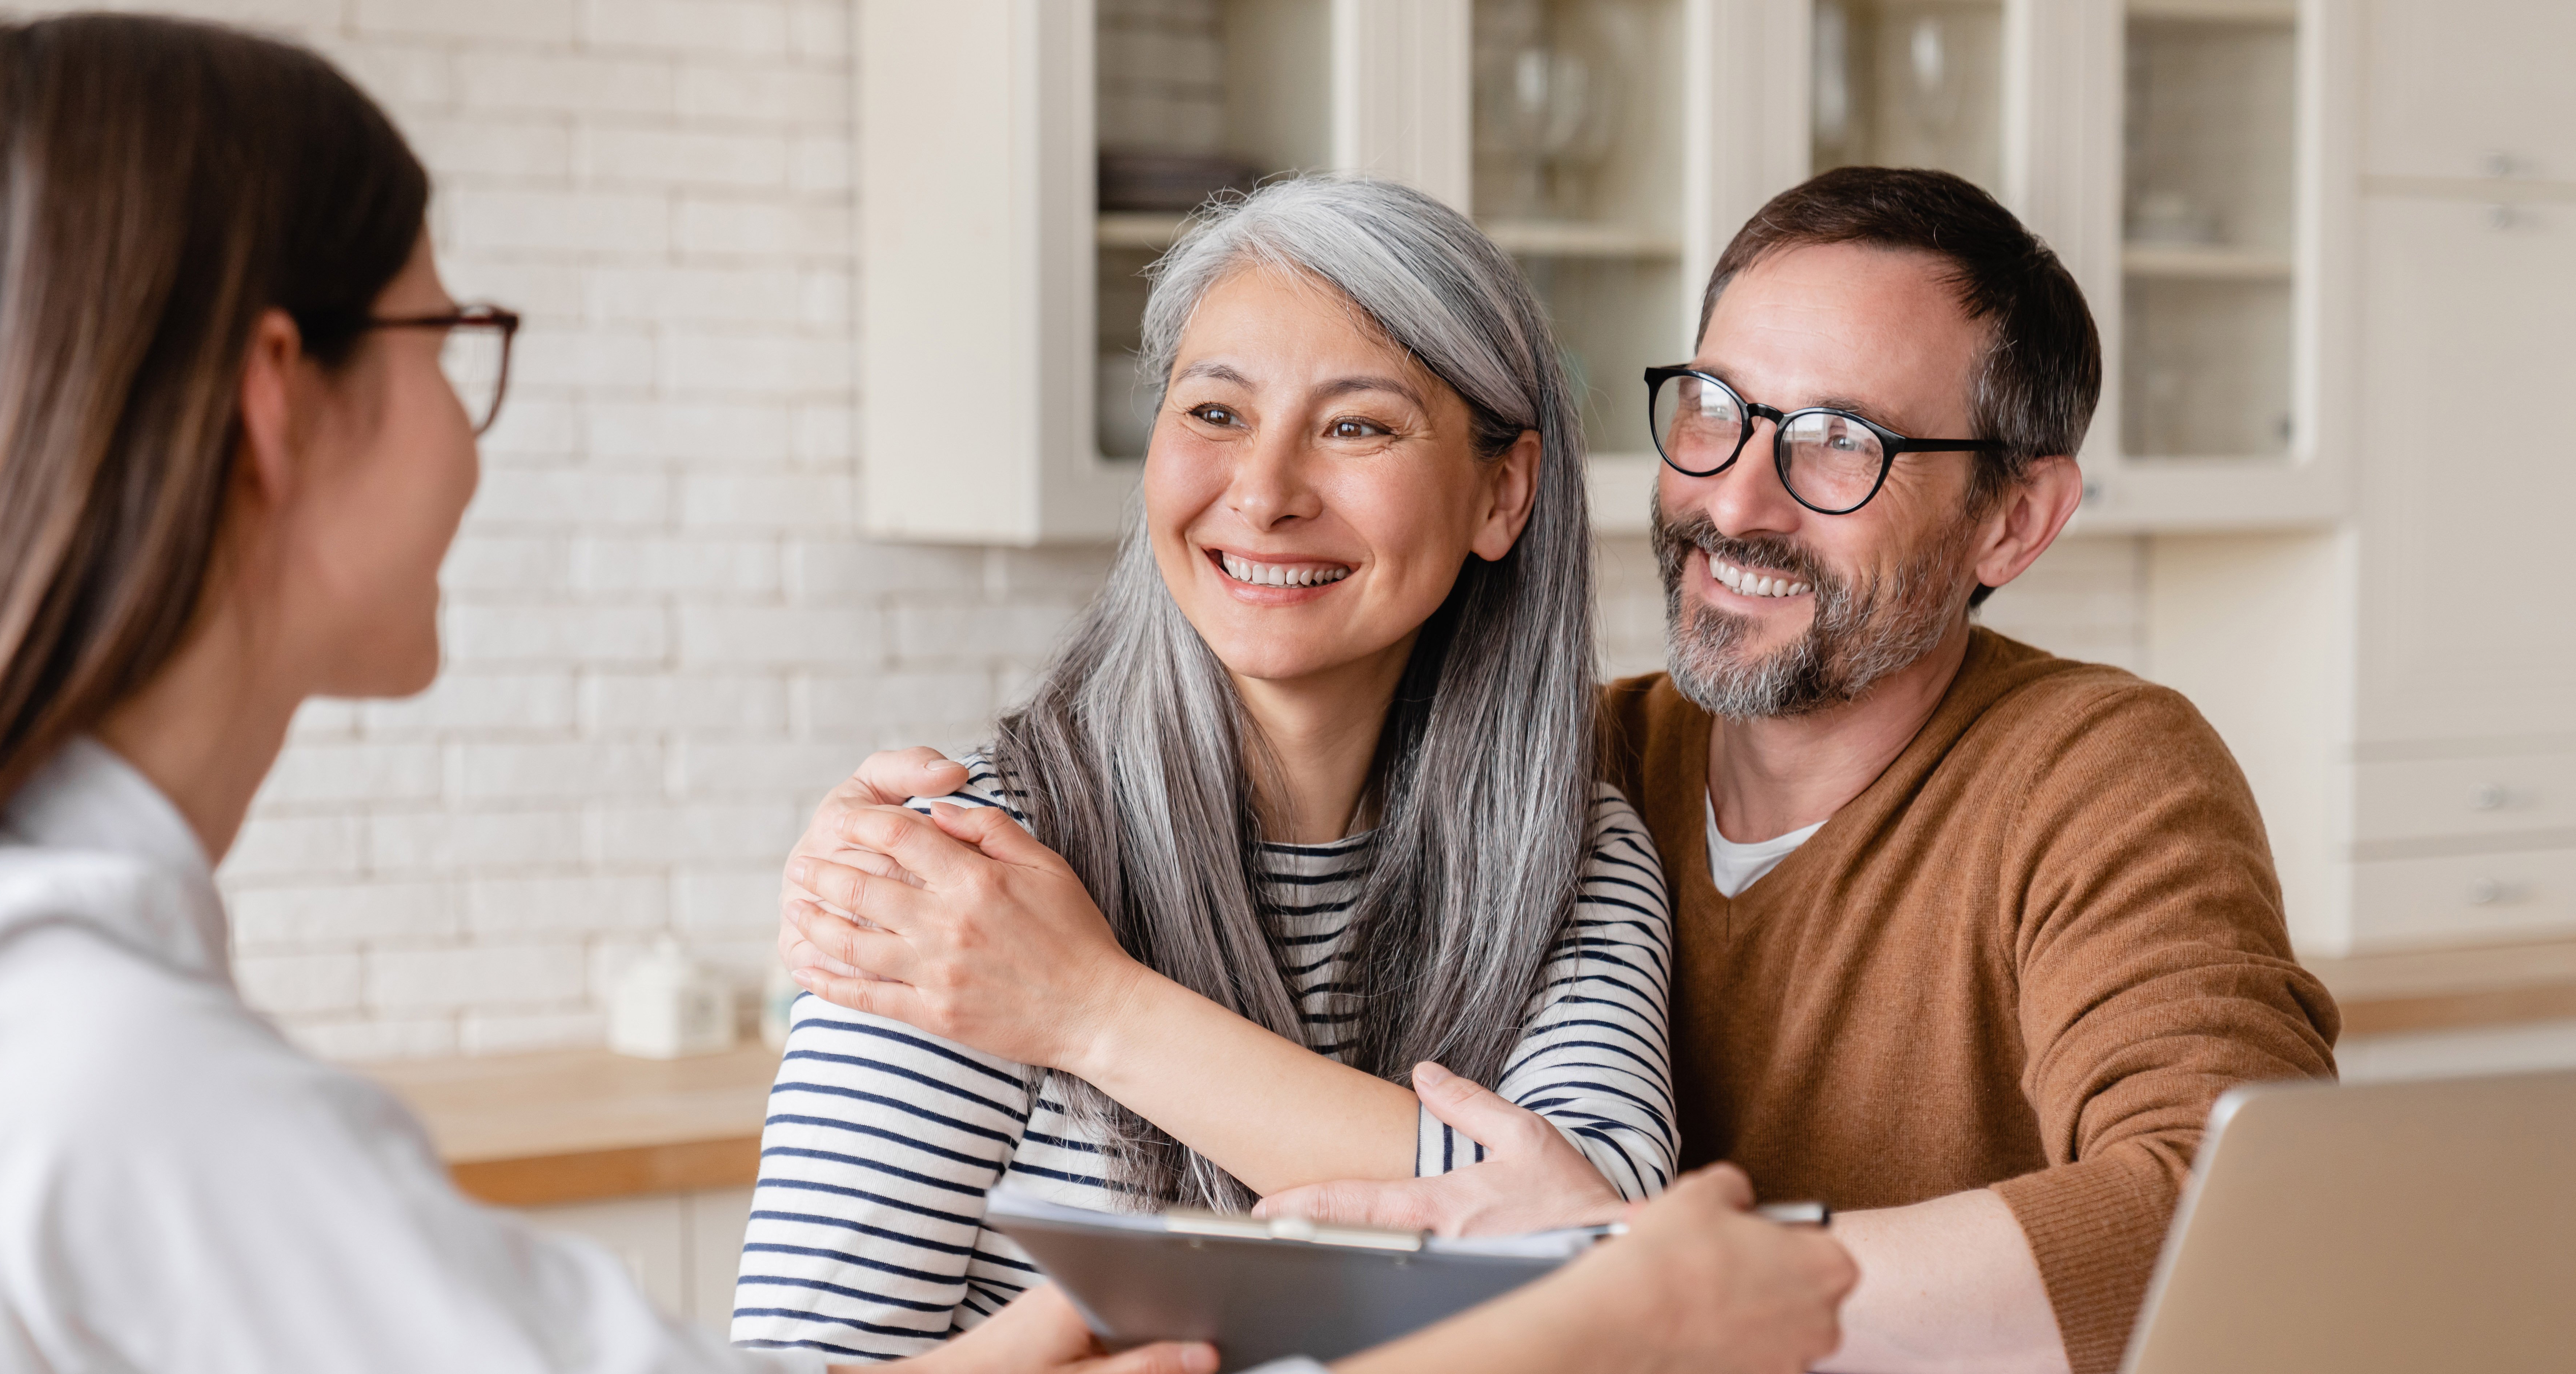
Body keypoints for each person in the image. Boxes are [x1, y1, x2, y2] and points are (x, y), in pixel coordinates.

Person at [0, 15, 1855, 1374]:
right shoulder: (77, 1069)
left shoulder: (20, 1022)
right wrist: (1596, 1315)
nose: (473, 426)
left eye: (1354, 424)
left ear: (1505, 489)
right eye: (452, 335)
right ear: (282, 404)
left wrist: (1088, 1092)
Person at [781, 169, 2342, 1374]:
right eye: (1719, 414)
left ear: (2015, 521)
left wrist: (1649, 1277)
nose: (1743, 500)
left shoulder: (2071, 778)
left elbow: (2243, 1222)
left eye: (1843, 445)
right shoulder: (1588, 770)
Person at [736, 176, 1676, 1361]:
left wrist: (1091, 1007)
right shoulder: (972, 876)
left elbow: (1605, 1247)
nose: (1266, 493)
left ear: (1504, 491)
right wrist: (1076, 1315)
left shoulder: (1571, 850)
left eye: (1356, 425)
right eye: (1216, 413)